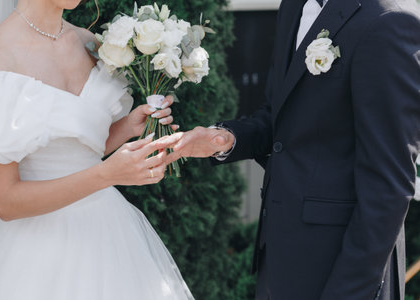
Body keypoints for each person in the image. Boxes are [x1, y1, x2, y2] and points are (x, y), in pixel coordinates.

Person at [168, 0, 420, 298]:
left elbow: (387, 186)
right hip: (279, 262)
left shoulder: (387, 22)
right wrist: (227, 138)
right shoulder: (293, 7)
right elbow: (281, 117)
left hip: (343, 272)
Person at [0, 0, 194, 299]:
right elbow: (5, 202)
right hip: (36, 252)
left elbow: (79, 148)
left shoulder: (91, 43)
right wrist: (105, 175)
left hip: (108, 230)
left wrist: (128, 127)